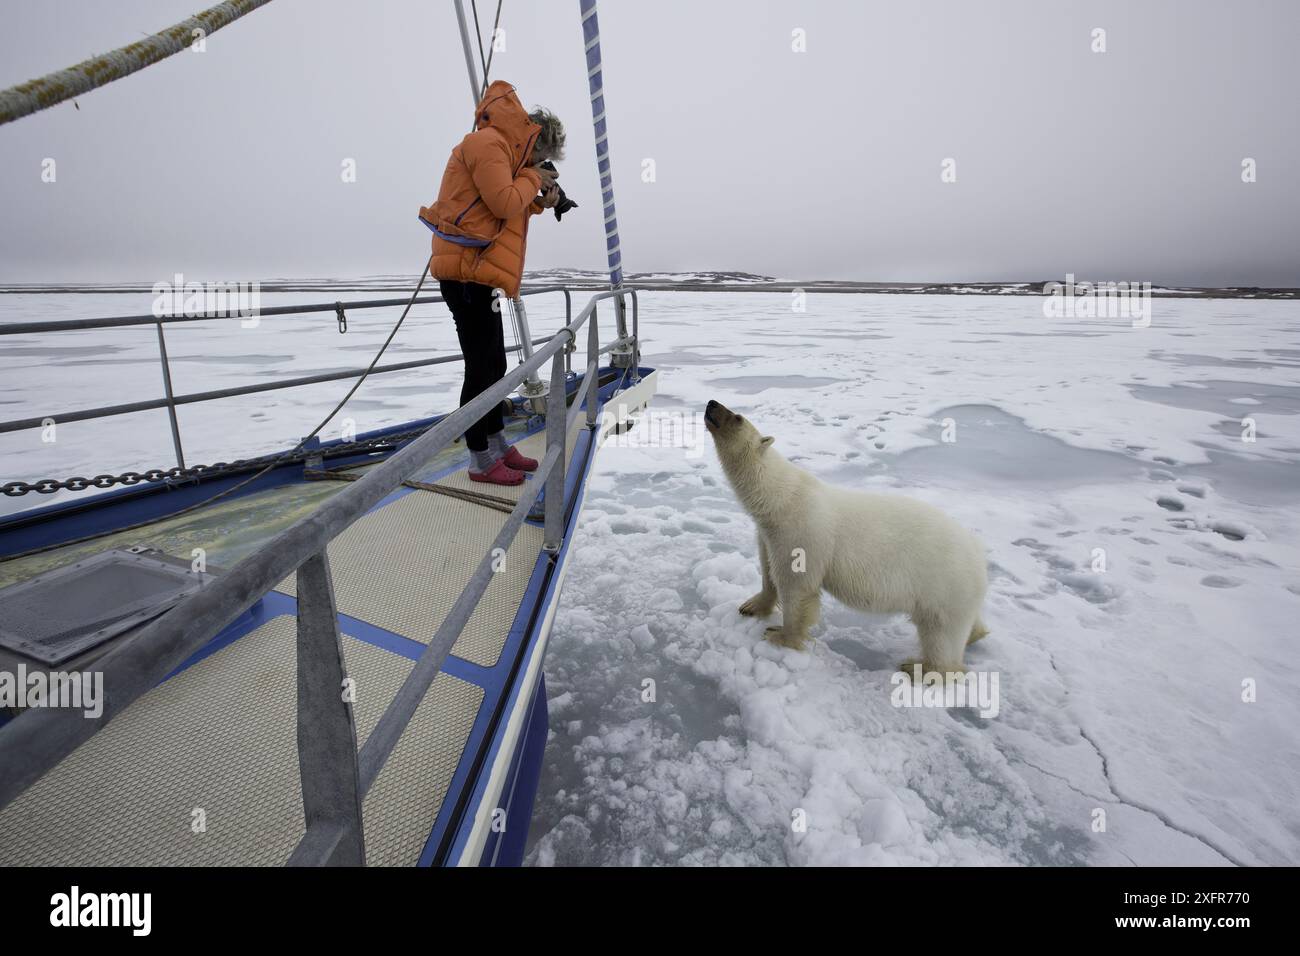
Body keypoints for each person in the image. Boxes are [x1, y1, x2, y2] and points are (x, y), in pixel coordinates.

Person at [419, 80, 565, 485]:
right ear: (533, 140)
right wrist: (534, 181)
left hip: (481, 273)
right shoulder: (488, 144)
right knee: (480, 368)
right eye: (543, 157)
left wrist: (542, 199)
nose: (539, 164)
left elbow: (502, 210)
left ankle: (496, 444)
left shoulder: (504, 153)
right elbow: (502, 201)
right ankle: (479, 458)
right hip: (467, 273)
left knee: (494, 365)